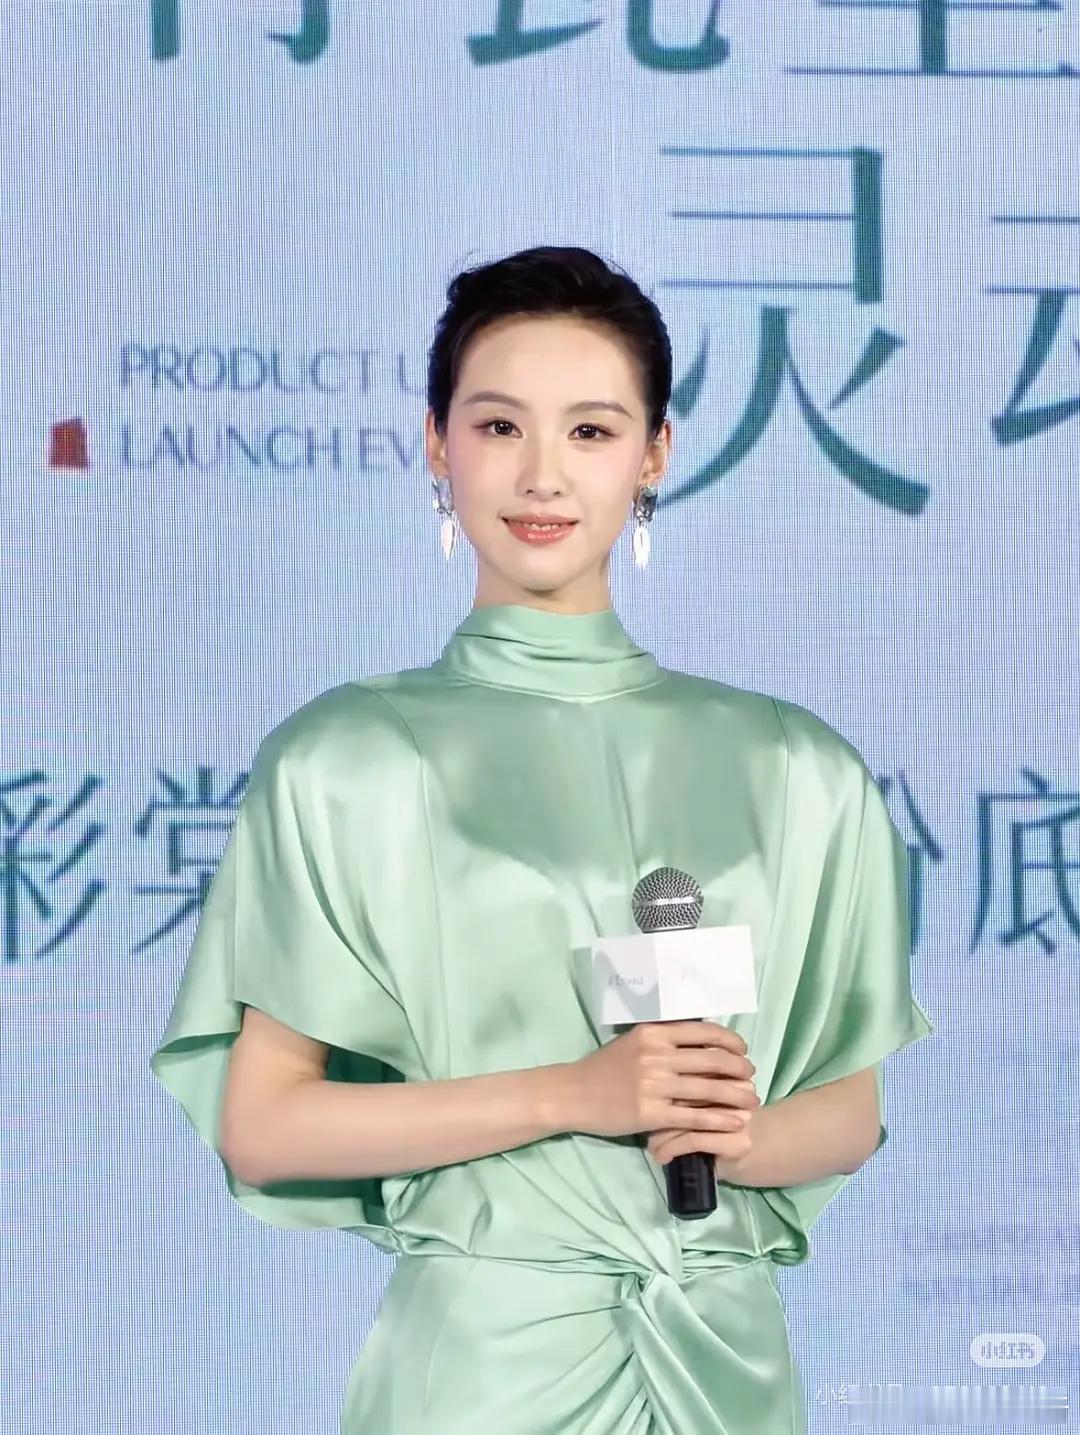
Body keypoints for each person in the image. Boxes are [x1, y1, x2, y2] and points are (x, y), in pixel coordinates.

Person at [149, 244, 934, 1435]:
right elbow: (264, 1127)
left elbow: (849, 1113)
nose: (542, 474)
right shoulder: (349, 757)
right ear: (437, 443)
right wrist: (576, 1092)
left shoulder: (795, 765)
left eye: (592, 430)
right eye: (500, 425)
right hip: (484, 1367)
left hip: (722, 1354)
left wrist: (727, 1131)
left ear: (655, 453)